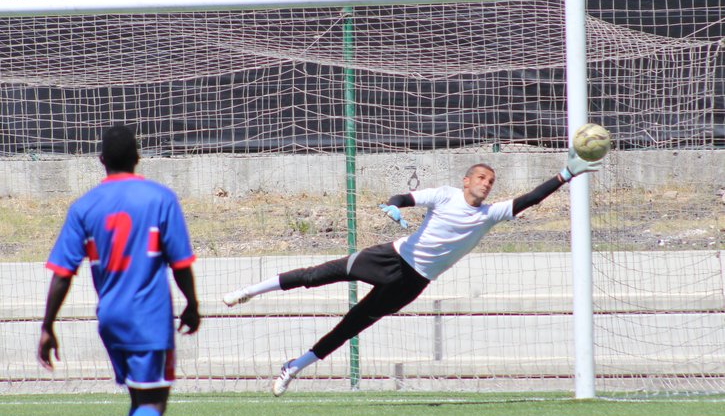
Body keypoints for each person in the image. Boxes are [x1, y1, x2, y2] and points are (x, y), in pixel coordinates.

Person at [223, 147, 602, 396]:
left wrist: (566, 174)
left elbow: (531, 199)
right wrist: (394, 206)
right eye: (481, 178)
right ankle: (249, 291)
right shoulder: (445, 195)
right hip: (390, 257)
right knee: (316, 276)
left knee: (350, 327)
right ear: (466, 180)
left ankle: (294, 367)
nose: (486, 184)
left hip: (413, 282)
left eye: (491, 181)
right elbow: (403, 197)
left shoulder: (491, 214)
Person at [38, 125, 201, 416]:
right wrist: (192, 304)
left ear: (101, 160)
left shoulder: (84, 206)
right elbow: (180, 264)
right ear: (138, 157)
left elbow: (63, 274)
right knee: (154, 403)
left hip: (111, 319)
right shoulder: (160, 198)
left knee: (139, 401)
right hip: (149, 318)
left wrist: (47, 326)